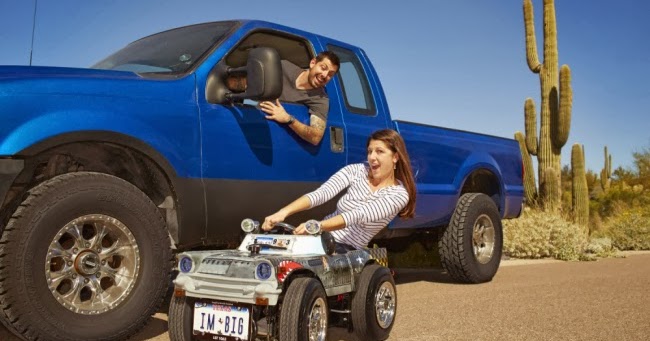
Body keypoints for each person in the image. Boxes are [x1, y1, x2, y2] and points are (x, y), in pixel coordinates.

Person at [261, 129, 417, 253]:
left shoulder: (399, 195)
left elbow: (358, 215)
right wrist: (282, 212)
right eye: (370, 151)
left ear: (395, 157)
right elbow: (321, 194)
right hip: (319, 237)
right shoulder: (355, 170)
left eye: (379, 151)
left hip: (346, 248)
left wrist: (317, 226)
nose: (372, 157)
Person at [228, 51, 340, 146]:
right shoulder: (282, 67)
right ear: (313, 63)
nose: (325, 75)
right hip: (246, 113)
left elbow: (315, 137)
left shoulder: (320, 99)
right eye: (323, 68)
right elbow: (241, 85)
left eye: (330, 74)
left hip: (274, 140)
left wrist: (288, 119)